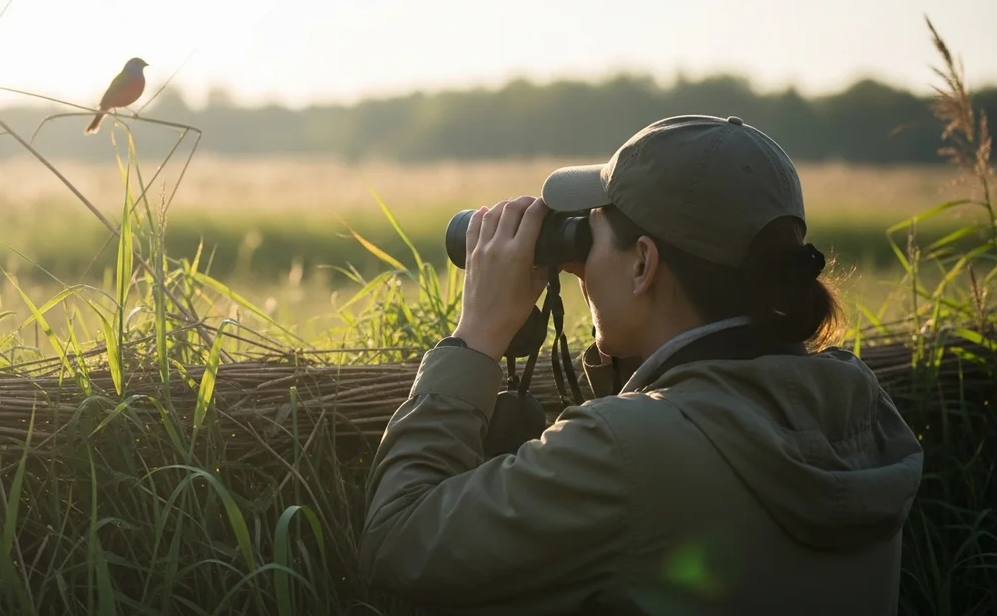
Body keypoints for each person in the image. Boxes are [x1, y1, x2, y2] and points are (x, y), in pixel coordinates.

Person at [358, 115, 925, 615]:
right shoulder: (857, 405)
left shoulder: (625, 452)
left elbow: (399, 541)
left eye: (591, 232)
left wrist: (476, 337)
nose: (579, 265)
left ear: (642, 265)